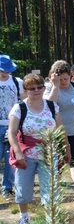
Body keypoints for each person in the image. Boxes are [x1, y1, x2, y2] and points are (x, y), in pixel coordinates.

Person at [8, 73, 71, 224]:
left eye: (39, 87)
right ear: (25, 90)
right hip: (26, 154)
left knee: (50, 189)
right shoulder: (19, 108)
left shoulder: (51, 106)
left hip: (48, 153)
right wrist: (18, 152)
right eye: (32, 88)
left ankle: (51, 220)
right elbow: (11, 133)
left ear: (44, 87)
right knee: (23, 189)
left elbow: (61, 129)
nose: (36, 90)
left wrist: (66, 148)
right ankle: (24, 217)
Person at [44, 61, 74, 191]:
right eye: (60, 79)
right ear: (53, 77)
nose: (64, 82)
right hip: (57, 133)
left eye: (66, 78)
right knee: (57, 165)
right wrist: (55, 86)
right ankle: (54, 192)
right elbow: (49, 106)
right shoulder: (48, 88)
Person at [0, 55, 24, 199]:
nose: (6, 74)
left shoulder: (17, 82)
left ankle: (7, 188)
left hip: (12, 126)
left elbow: (23, 101)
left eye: (9, 71)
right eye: (3, 71)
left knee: (11, 158)